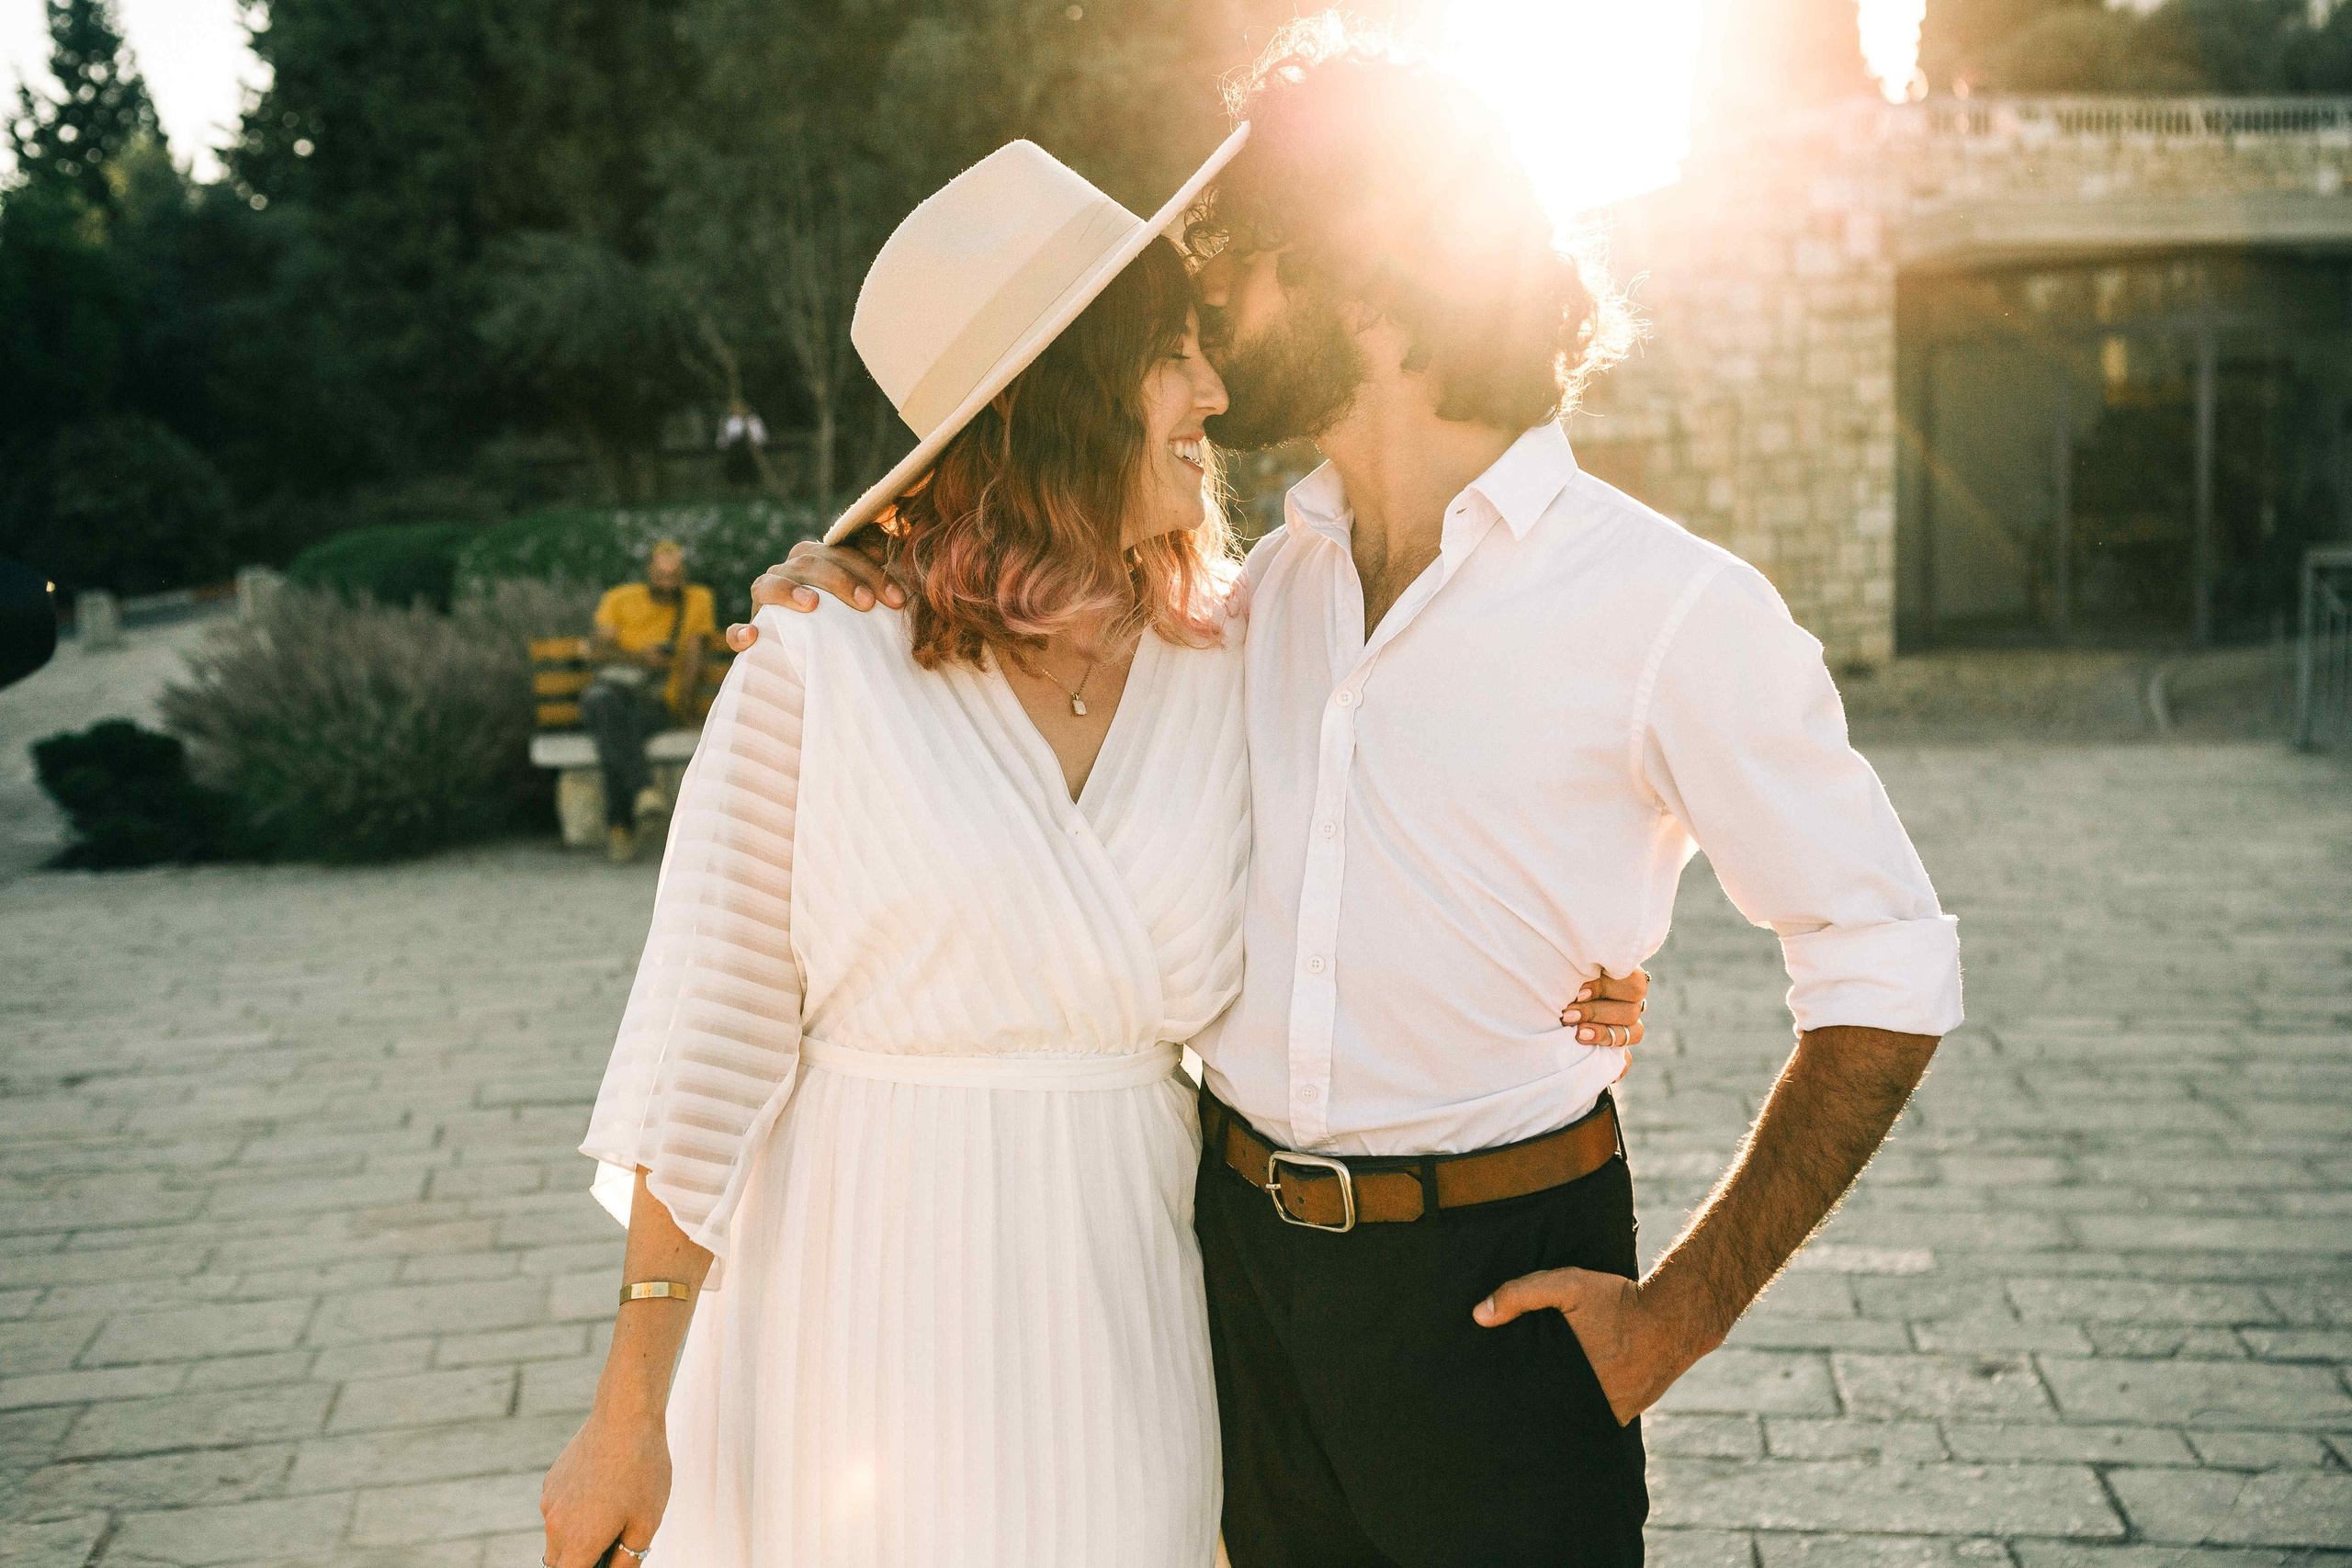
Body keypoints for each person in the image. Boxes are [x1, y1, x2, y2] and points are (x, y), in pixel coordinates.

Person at [736, 18, 1962, 1568]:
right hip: (1229, 1271)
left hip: (1500, 1292)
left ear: (1363, 269)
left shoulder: (1670, 611)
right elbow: (1036, 653)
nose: (1207, 325)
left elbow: (1887, 963)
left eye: (1227, 264)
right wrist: (863, 578)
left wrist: (1678, 1317)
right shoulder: (1249, 601)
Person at [582, 540, 715, 863]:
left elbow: (695, 658)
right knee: (604, 705)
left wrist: (684, 710)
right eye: (661, 575)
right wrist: (640, 658)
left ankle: (621, 826)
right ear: (649, 573)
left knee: (611, 726)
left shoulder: (697, 600)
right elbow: (595, 653)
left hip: (655, 704)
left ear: (683, 576)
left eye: (674, 576)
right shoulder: (619, 599)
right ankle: (643, 791)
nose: (667, 582)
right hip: (614, 693)